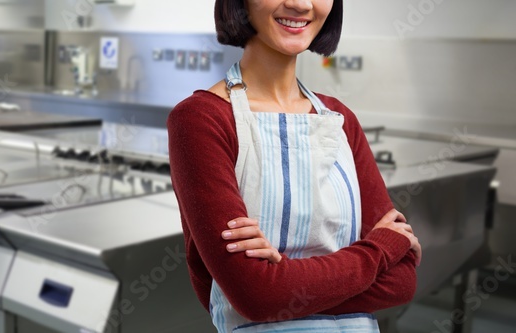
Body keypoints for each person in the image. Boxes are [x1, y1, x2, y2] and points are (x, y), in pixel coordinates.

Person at [167, 0, 422, 332]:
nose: (300, 4)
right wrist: (382, 249)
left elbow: (402, 282)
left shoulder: (339, 119)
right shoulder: (201, 120)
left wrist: (282, 284)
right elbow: (257, 296)